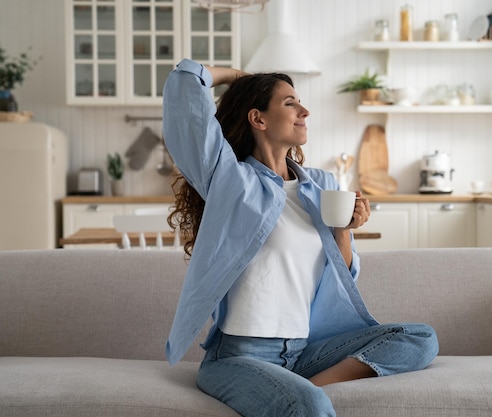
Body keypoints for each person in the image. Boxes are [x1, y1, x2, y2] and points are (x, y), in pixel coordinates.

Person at [162, 59, 438, 417]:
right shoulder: (230, 179)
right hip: (239, 357)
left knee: (420, 338)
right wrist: (236, 75)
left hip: (306, 352)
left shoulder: (321, 184)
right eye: (290, 102)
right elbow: (185, 84)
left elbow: (344, 275)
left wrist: (343, 229)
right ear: (257, 118)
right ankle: (305, 393)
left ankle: (309, 385)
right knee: (307, 406)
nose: (305, 110)